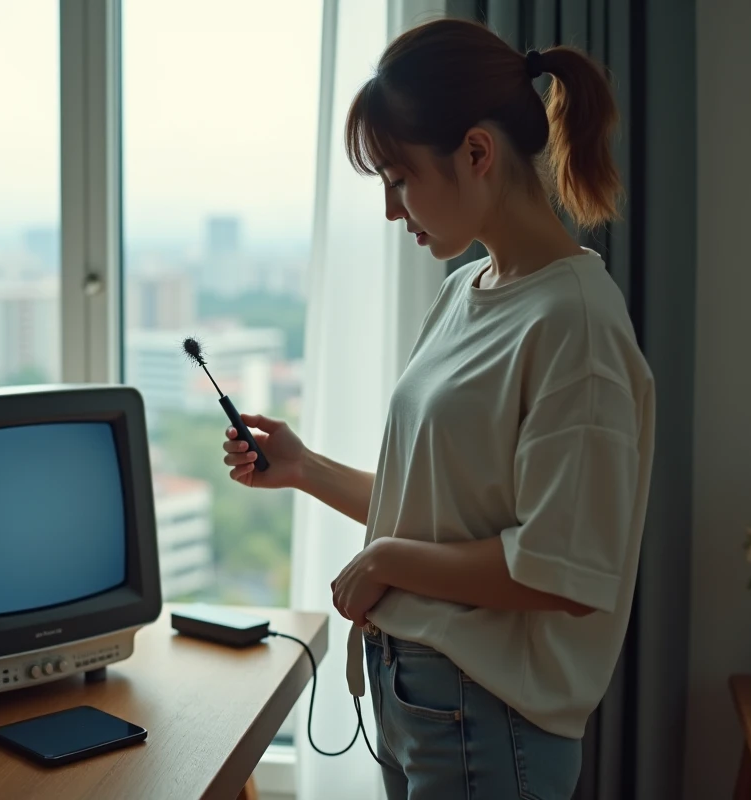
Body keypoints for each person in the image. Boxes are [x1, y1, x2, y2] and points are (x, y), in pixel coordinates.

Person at [220, 17, 655, 800]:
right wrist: (306, 468)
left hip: (488, 720)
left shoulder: (575, 325)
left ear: (477, 153)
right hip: (421, 699)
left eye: (399, 178)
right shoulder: (467, 290)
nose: (393, 210)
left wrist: (386, 561)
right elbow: (434, 513)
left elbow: (560, 571)